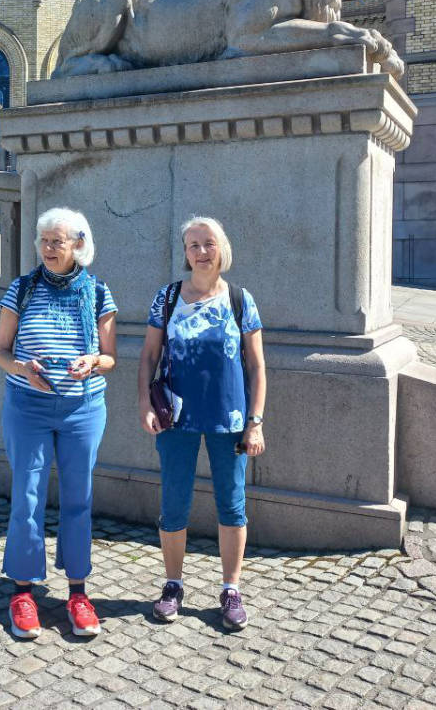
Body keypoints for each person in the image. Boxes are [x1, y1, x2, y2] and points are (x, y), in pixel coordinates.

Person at [136, 216, 266, 631]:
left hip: (229, 419)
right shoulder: (168, 297)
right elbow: (148, 357)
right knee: (174, 505)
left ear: (221, 248)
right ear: (185, 252)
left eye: (208, 243)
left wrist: (255, 422)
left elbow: (258, 367)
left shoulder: (241, 299)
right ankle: (172, 584)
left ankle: (231, 589)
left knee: (232, 505)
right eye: (193, 245)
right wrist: (144, 403)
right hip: (175, 419)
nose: (201, 251)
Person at [0, 207, 117, 639]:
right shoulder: (22, 288)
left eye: (57, 241)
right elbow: (0, 352)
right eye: (44, 241)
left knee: (79, 498)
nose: (48, 248)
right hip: (28, 407)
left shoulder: (99, 293)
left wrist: (94, 361)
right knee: (26, 496)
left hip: (83, 410)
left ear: (78, 245)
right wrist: (23, 368)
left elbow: (110, 357)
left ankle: (78, 594)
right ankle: (23, 592)